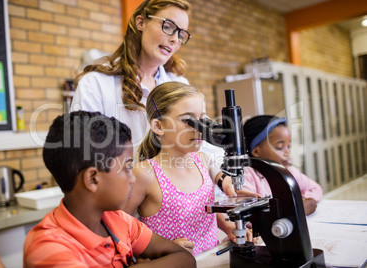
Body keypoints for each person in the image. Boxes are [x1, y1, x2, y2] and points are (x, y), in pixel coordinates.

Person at [23, 111, 196, 267]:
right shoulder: (48, 249)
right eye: (127, 168)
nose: (133, 178)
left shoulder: (118, 220)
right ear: (92, 179)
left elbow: (185, 259)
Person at [123, 82, 254, 256]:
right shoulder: (145, 174)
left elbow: (204, 211)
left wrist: (228, 226)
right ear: (158, 126)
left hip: (211, 259)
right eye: (188, 120)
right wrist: (158, 247)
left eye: (203, 120)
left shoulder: (203, 162)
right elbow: (119, 226)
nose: (199, 129)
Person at [71, 0, 191, 152]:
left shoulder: (181, 85)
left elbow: (201, 147)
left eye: (181, 34)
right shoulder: (96, 84)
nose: (175, 39)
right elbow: (84, 151)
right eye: (168, 27)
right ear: (141, 22)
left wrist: (220, 174)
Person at [242, 115, 323, 216]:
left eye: (288, 146)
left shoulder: (291, 172)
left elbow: (316, 189)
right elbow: (248, 212)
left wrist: (302, 201)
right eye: (279, 147)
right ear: (256, 151)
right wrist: (293, 208)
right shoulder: (248, 176)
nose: (287, 152)